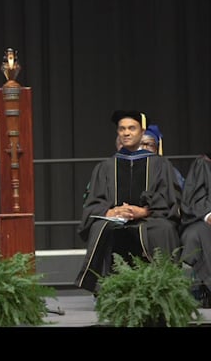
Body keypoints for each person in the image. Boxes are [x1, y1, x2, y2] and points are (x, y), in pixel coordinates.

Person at [74, 110, 182, 294]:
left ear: (142, 132)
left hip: (150, 219)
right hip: (116, 220)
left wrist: (144, 211)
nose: (126, 133)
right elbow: (93, 201)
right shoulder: (105, 167)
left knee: (165, 229)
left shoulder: (160, 165)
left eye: (132, 128)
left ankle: (163, 289)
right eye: (122, 129)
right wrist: (111, 212)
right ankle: (106, 289)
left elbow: (170, 199)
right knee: (99, 227)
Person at [179, 153, 211, 307]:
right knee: (196, 234)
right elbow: (194, 198)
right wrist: (208, 214)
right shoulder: (204, 163)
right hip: (205, 219)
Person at [140, 124, 185, 190]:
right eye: (140, 145)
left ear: (156, 149)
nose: (143, 148)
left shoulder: (167, 170)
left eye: (148, 144)